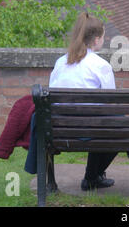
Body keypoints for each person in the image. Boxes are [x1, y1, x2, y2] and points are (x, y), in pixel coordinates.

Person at [49, 11, 117, 191]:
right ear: (96, 40)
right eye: (103, 37)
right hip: (90, 131)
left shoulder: (60, 62)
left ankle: (90, 177)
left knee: (99, 121)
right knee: (118, 125)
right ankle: (92, 177)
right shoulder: (101, 65)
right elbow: (111, 103)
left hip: (59, 132)